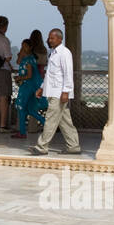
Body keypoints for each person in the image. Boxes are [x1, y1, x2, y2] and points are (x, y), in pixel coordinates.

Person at [28, 27, 81, 155]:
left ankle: (42, 146)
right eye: (49, 38)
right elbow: (50, 75)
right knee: (65, 121)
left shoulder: (64, 53)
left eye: (52, 38)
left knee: (51, 119)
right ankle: (74, 146)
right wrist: (42, 87)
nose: (49, 40)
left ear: (59, 38)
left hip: (59, 92)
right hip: (52, 91)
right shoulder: (53, 53)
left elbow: (68, 73)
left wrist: (66, 91)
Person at [11, 39, 46, 139]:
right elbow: (18, 61)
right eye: (22, 46)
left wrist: (19, 78)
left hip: (27, 86)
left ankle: (22, 132)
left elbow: (29, 75)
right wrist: (21, 53)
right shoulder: (27, 58)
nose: (23, 48)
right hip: (30, 87)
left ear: (30, 47)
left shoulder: (29, 60)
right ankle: (46, 123)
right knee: (30, 109)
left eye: (25, 46)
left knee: (21, 107)